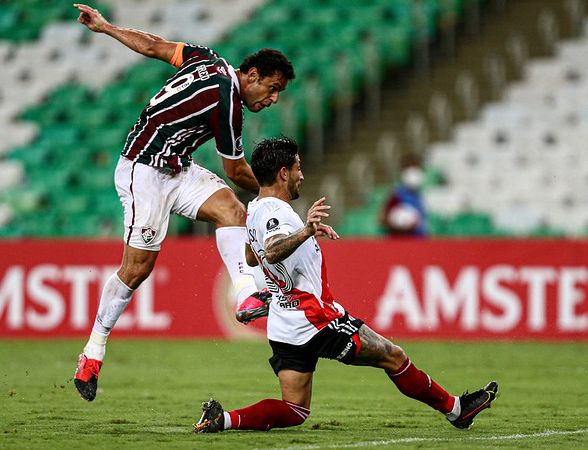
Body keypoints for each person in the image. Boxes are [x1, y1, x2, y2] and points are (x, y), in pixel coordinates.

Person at [193, 137, 497, 433]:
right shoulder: (276, 212)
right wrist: (305, 231)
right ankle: (456, 410)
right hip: (315, 317)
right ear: (283, 173)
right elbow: (272, 250)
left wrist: (286, 263)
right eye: (297, 168)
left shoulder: (256, 208)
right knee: (394, 357)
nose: (302, 175)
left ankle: (223, 419)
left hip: (285, 324)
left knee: (296, 409)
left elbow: (252, 255)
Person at [71, 4, 296, 402]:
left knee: (232, 211)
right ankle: (93, 350)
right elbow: (235, 170)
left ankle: (245, 295)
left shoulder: (204, 57)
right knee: (137, 269)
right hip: (144, 171)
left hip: (177, 167)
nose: (274, 98)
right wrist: (276, 191)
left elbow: (155, 46)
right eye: (272, 88)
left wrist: (107, 28)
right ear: (252, 75)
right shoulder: (228, 102)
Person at [380, 157, 428, 236]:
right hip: (402, 241)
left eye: (417, 170)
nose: (414, 174)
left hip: (420, 241)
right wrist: (402, 226)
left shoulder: (421, 195)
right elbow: (382, 219)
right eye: (411, 170)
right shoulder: (397, 194)